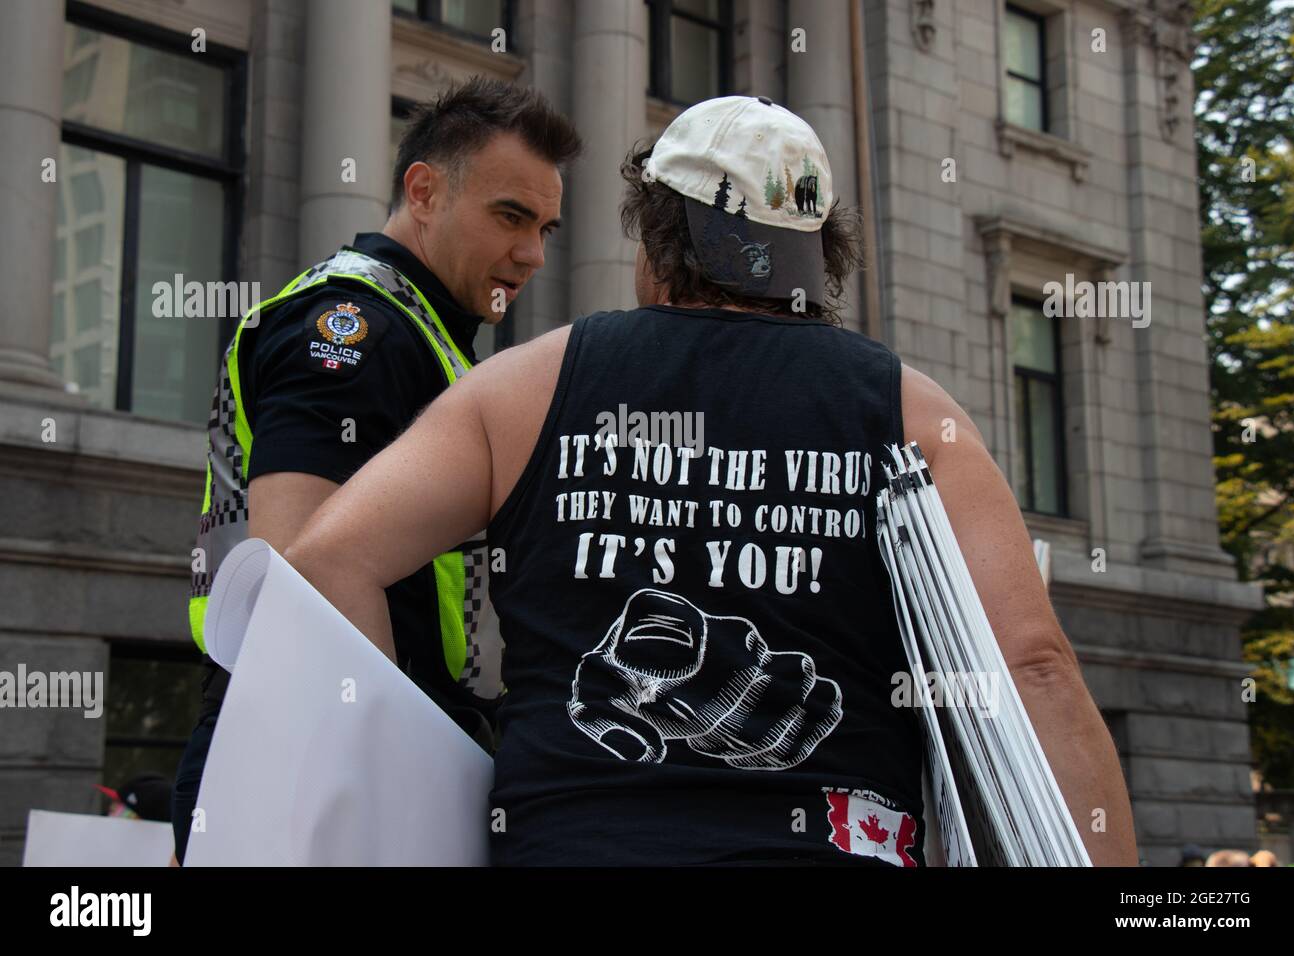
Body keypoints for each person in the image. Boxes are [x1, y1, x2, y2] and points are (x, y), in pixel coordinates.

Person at [283, 94, 1137, 866]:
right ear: (817, 248)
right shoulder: (914, 414)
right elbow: (1035, 668)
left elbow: (326, 564)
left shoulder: (522, 387)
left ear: (658, 236)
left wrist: (406, 796)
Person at [169, 76, 581, 864]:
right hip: (320, 754)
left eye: (547, 228)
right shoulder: (355, 328)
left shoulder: (417, 331)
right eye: (509, 216)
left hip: (327, 747)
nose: (530, 253)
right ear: (423, 192)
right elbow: (302, 583)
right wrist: (402, 772)